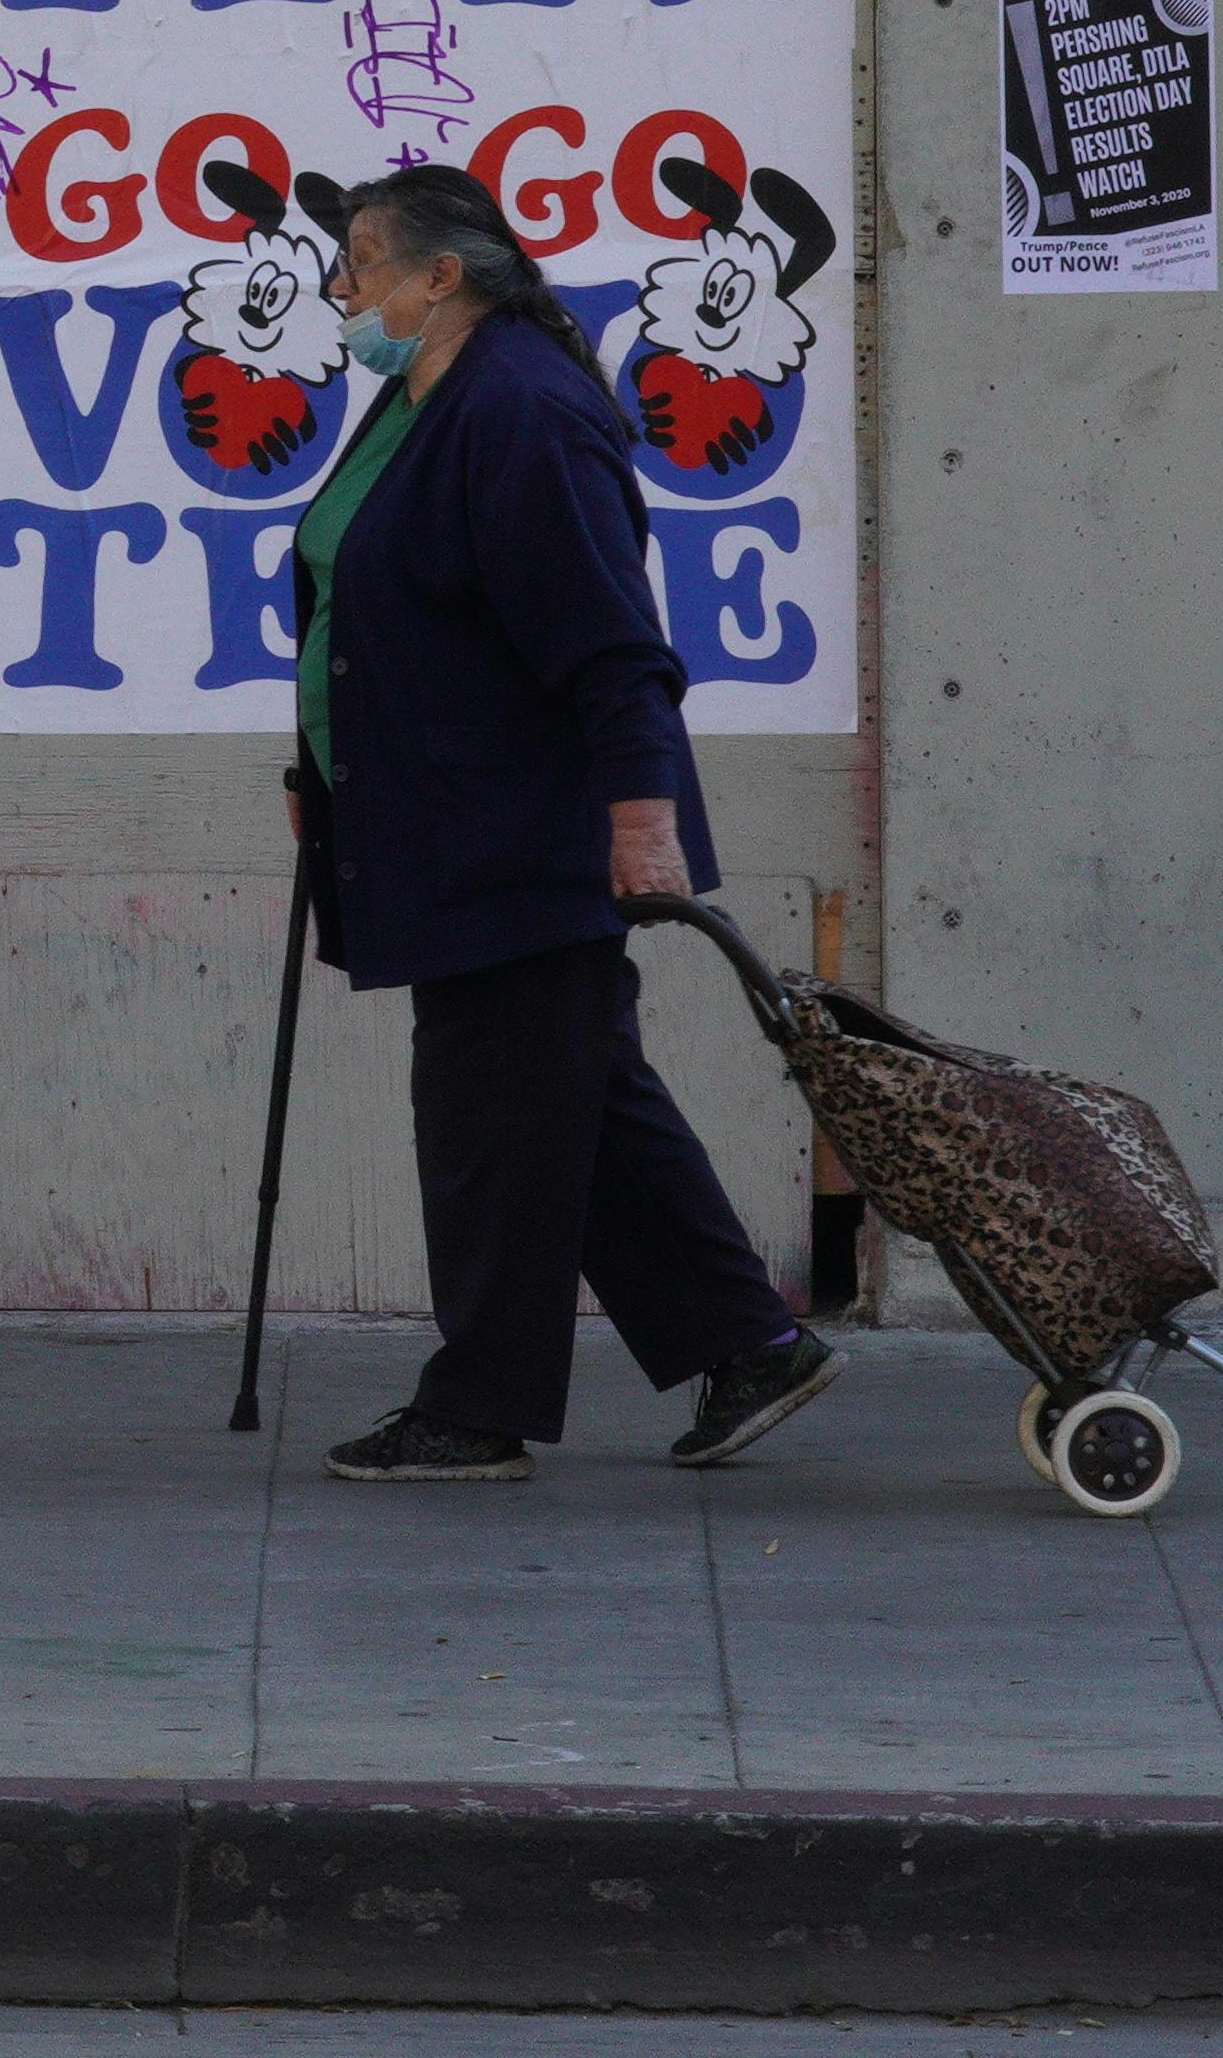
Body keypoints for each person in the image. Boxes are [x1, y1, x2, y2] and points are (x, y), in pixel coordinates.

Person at [296, 164, 834, 1483]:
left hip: (524, 832)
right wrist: (321, 760)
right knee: (572, 1100)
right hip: (449, 816)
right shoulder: (426, 396)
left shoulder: (521, 410)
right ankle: (750, 1344)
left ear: (442, 276)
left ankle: (479, 1408)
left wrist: (640, 820)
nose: (339, 287)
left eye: (362, 262)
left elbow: (611, 639)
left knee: (491, 1124)